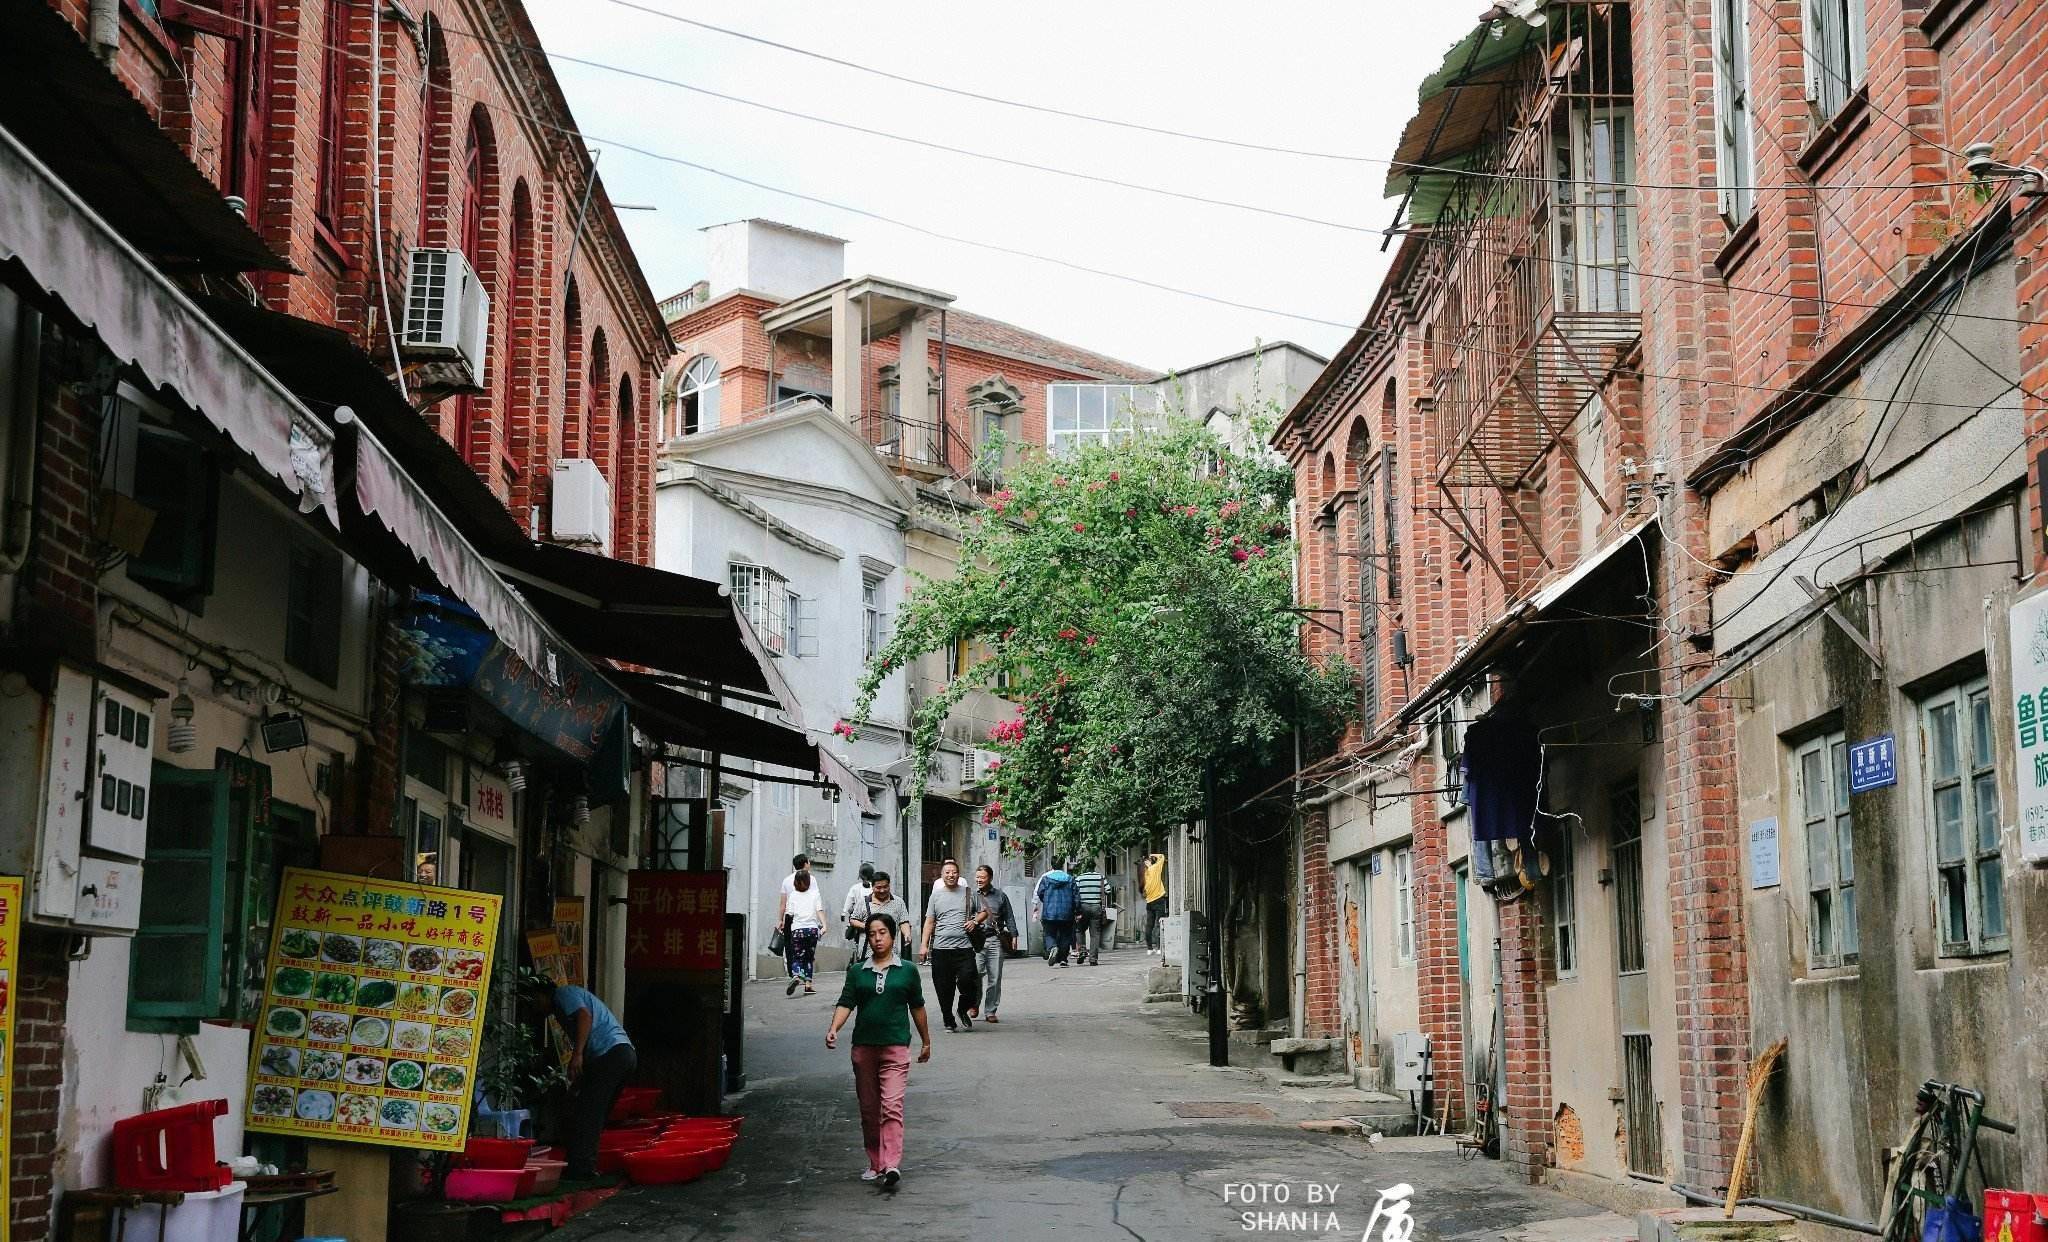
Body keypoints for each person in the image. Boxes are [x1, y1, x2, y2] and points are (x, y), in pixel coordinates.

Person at [826, 912, 932, 1188]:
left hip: (895, 1047)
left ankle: (891, 1164)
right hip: (864, 1049)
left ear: (893, 936)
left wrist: (926, 1040)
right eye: (872, 934)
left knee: (892, 1107)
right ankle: (875, 1162)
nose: (877, 938)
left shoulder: (907, 970)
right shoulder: (857, 971)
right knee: (870, 1110)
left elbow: (917, 1006)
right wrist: (834, 1028)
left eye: (882, 933)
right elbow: (846, 1002)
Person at [526, 974, 635, 1182]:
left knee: (589, 1111)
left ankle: (581, 1168)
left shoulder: (563, 994)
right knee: (590, 1109)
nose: (535, 1006)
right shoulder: (561, 1005)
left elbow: (584, 1016)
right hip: (620, 1054)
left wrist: (577, 1055)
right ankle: (581, 1162)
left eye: (535, 999)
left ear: (543, 994)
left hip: (612, 1054)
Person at [919, 859, 981, 1031]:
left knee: (970, 982)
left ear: (958, 874)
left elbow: (983, 912)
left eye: (954, 872)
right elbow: (929, 922)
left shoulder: (969, 893)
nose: (951, 875)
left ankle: (962, 1009)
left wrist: (975, 921)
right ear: (942, 875)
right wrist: (923, 946)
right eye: (947, 872)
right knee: (943, 988)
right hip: (941, 950)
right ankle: (948, 1019)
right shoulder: (935, 896)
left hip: (964, 948)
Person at [966, 864, 1017, 1023]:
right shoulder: (973, 896)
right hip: (978, 940)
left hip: (995, 939)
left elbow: (1009, 916)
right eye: (977, 877)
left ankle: (990, 1011)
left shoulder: (1001, 896)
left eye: (982, 877)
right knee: (976, 975)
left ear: (990, 878)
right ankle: (974, 1004)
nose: (979, 880)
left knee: (995, 977)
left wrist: (1014, 935)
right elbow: (967, 917)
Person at [847, 870, 911, 968]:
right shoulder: (864, 903)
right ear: (872, 887)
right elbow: (853, 919)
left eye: (885, 887)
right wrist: (868, 927)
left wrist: (907, 934)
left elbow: (903, 921)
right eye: (878, 887)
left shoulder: (898, 902)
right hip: (867, 953)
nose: (882, 890)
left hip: (891, 953)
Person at [785, 869, 828, 996]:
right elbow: (819, 910)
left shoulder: (792, 895)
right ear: (808, 882)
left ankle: (797, 975)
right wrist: (824, 925)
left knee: (798, 956)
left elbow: (789, 914)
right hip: (812, 930)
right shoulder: (815, 894)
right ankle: (808, 985)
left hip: (798, 930)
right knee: (809, 957)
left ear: (795, 883)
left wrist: (786, 930)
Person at [1033, 859, 1078, 967]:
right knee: (1065, 935)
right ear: (1062, 865)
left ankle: (1052, 947)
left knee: (1049, 933)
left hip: (1049, 912)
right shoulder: (1070, 879)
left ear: (1052, 865)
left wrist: (1047, 901)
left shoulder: (1046, 879)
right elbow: (1076, 896)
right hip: (1067, 912)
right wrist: (1078, 910)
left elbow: (1040, 892)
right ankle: (1063, 959)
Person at [777, 852, 812, 981]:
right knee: (807, 944)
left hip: (789, 916)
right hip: (805, 916)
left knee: (790, 944)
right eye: (808, 862)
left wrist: (780, 920)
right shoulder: (810, 879)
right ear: (805, 864)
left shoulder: (786, 880)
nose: (810, 864)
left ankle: (793, 973)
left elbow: (782, 903)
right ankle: (803, 972)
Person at [1072, 863, 1110, 965]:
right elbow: (1108, 890)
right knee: (1095, 934)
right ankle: (1093, 959)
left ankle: (1082, 950)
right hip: (1096, 907)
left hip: (1083, 907)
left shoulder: (1079, 878)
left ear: (1085, 867)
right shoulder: (1100, 877)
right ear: (1094, 867)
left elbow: (1074, 892)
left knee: (1079, 930)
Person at [840, 861, 877, 959]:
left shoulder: (855, 888)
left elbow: (849, 901)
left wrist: (844, 913)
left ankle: (857, 954)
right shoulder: (875, 888)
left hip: (858, 920)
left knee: (858, 939)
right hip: (871, 919)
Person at [1141, 851, 1168, 954]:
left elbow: (1143, 891)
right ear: (1148, 862)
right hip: (1159, 899)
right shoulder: (1155, 869)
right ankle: (1159, 948)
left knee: (1149, 925)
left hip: (1149, 902)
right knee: (1159, 923)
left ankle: (1149, 948)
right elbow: (1162, 857)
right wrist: (1153, 855)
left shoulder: (1144, 876)